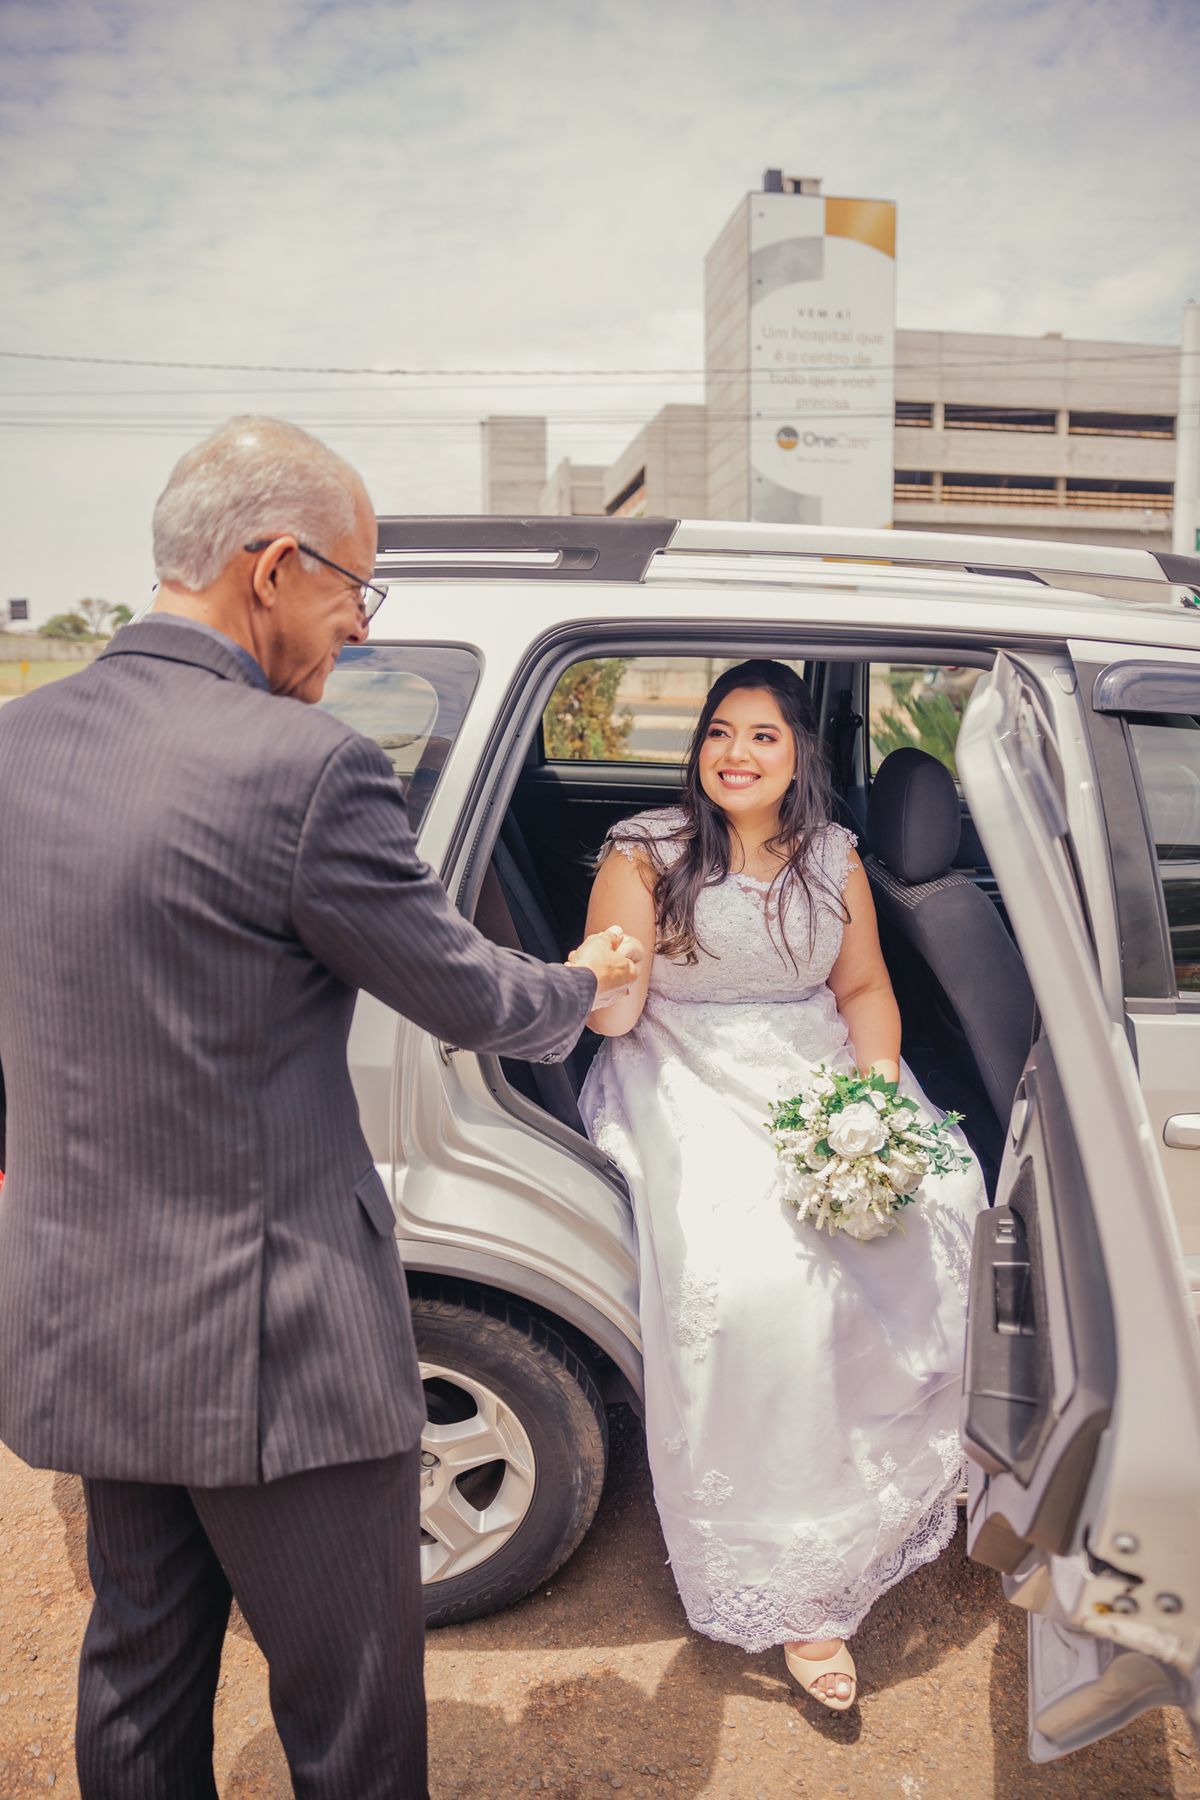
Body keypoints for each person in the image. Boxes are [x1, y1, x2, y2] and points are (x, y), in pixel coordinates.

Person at [0, 416, 643, 1799]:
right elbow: (466, 994)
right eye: (359, 589)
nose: (358, 628)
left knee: (135, 1668)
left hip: (88, 1319)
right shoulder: (303, 769)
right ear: (276, 565)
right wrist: (580, 987)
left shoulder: (19, 739)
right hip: (273, 1349)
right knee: (351, 1712)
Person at [580, 659, 985, 1711]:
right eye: (720, 732)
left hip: (814, 1062)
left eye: (763, 736)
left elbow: (863, 991)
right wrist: (605, 980)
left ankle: (899, 1481)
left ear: (799, 752)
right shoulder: (645, 851)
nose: (736, 754)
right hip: (679, 1064)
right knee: (764, 1277)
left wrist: (873, 1105)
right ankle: (797, 1588)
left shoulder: (835, 855)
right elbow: (612, 1011)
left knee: (937, 1199)